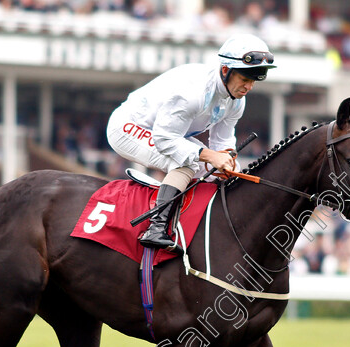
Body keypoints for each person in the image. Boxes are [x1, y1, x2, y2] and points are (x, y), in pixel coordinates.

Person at [106, 33, 276, 252]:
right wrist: (212, 157)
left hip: (171, 133)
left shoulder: (236, 101)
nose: (248, 87)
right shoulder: (192, 93)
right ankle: (156, 228)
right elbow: (164, 139)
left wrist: (228, 162)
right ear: (225, 70)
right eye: (244, 80)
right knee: (186, 164)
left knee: (221, 171)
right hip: (129, 128)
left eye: (253, 81)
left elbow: (221, 142)